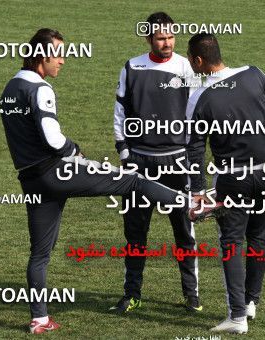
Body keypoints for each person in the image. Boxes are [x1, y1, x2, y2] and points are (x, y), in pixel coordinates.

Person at [0, 28, 217, 334]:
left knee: (40, 253)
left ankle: (39, 318)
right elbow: (52, 138)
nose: (62, 61)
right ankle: (192, 204)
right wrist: (72, 148)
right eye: (58, 54)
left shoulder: (9, 88)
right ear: (42, 56)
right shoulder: (41, 89)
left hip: (31, 180)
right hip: (59, 172)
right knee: (133, 179)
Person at [185, 33, 265, 334]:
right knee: (260, 237)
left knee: (232, 242)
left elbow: (194, 148)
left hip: (234, 179)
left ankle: (238, 316)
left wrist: (199, 191)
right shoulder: (255, 73)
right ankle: (252, 301)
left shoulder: (198, 98)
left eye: (191, 60)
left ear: (199, 60)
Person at [112, 12, 203, 313]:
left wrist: (191, 157)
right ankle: (132, 293)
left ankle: (191, 295)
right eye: (161, 38)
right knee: (135, 232)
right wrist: (124, 152)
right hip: (139, 163)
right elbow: (120, 111)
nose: (167, 43)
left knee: (184, 229)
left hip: (176, 162)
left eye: (171, 37)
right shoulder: (132, 66)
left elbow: (195, 115)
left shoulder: (186, 67)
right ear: (149, 38)